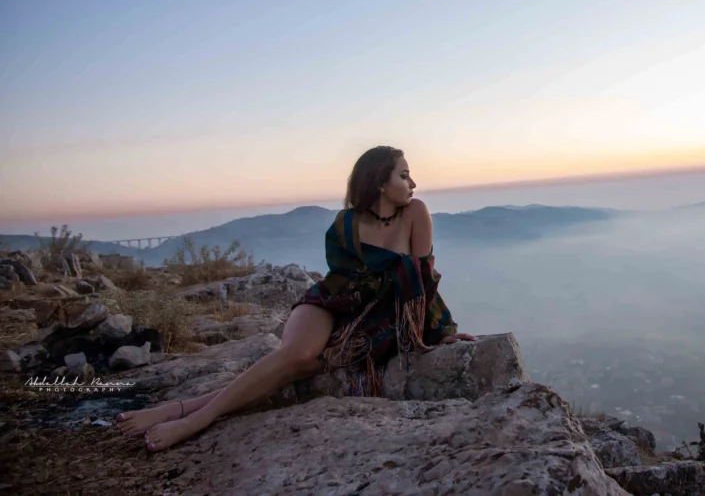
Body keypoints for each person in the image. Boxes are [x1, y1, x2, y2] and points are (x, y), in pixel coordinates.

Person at [114, 146, 477, 451]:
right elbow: (342, 280)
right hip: (334, 301)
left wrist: (442, 330)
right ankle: (196, 421)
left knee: (302, 366)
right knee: (295, 354)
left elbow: (423, 281)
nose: (413, 183)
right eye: (404, 175)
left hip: (376, 317)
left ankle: (180, 410)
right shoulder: (345, 223)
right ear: (380, 182)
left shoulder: (416, 213)